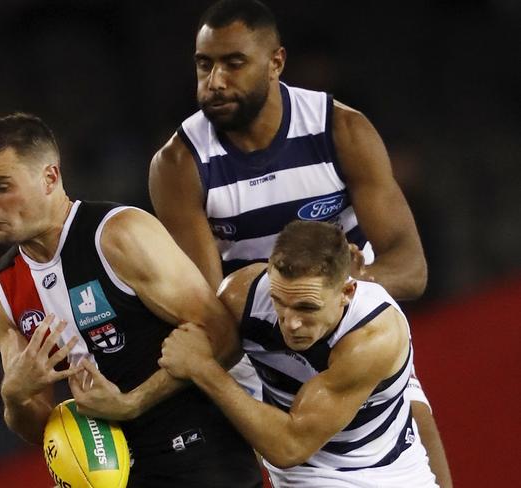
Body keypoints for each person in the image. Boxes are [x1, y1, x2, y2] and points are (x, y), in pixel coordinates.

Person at [148, 0, 452, 485]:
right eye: (204, 65)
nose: (215, 81)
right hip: (253, 335)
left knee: (418, 432)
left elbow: (411, 269)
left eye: (233, 63)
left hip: (344, 316)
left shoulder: (341, 130)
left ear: (276, 63)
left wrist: (340, 285)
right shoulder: (180, 164)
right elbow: (205, 305)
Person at [0, 113, 262, 488]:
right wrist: (14, 396)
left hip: (198, 452)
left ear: (50, 178)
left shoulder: (119, 235)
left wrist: (134, 402)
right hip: (113, 474)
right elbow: (37, 426)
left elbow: (223, 337)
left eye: (1, 186)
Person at [159, 220, 439, 487]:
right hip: (300, 473)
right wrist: (129, 403)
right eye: (279, 301)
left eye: (307, 308)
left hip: (377, 476)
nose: (290, 323)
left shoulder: (373, 336)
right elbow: (182, 353)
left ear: (347, 291)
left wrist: (204, 369)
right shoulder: (242, 295)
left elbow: (289, 447)